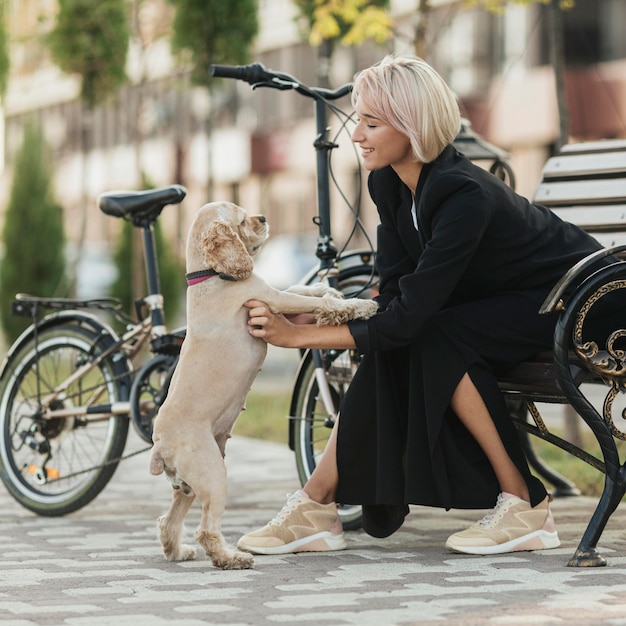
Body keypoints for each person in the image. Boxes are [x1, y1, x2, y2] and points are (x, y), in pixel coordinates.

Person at [236, 54, 606, 557]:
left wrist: (298, 337)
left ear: (411, 126)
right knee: (406, 337)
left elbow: (409, 318)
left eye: (370, 122)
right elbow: (394, 296)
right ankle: (316, 505)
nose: (357, 135)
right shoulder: (389, 183)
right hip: (522, 304)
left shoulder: (463, 193)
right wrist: (328, 313)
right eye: (357, 121)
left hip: (588, 302)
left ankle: (525, 506)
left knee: (430, 333)